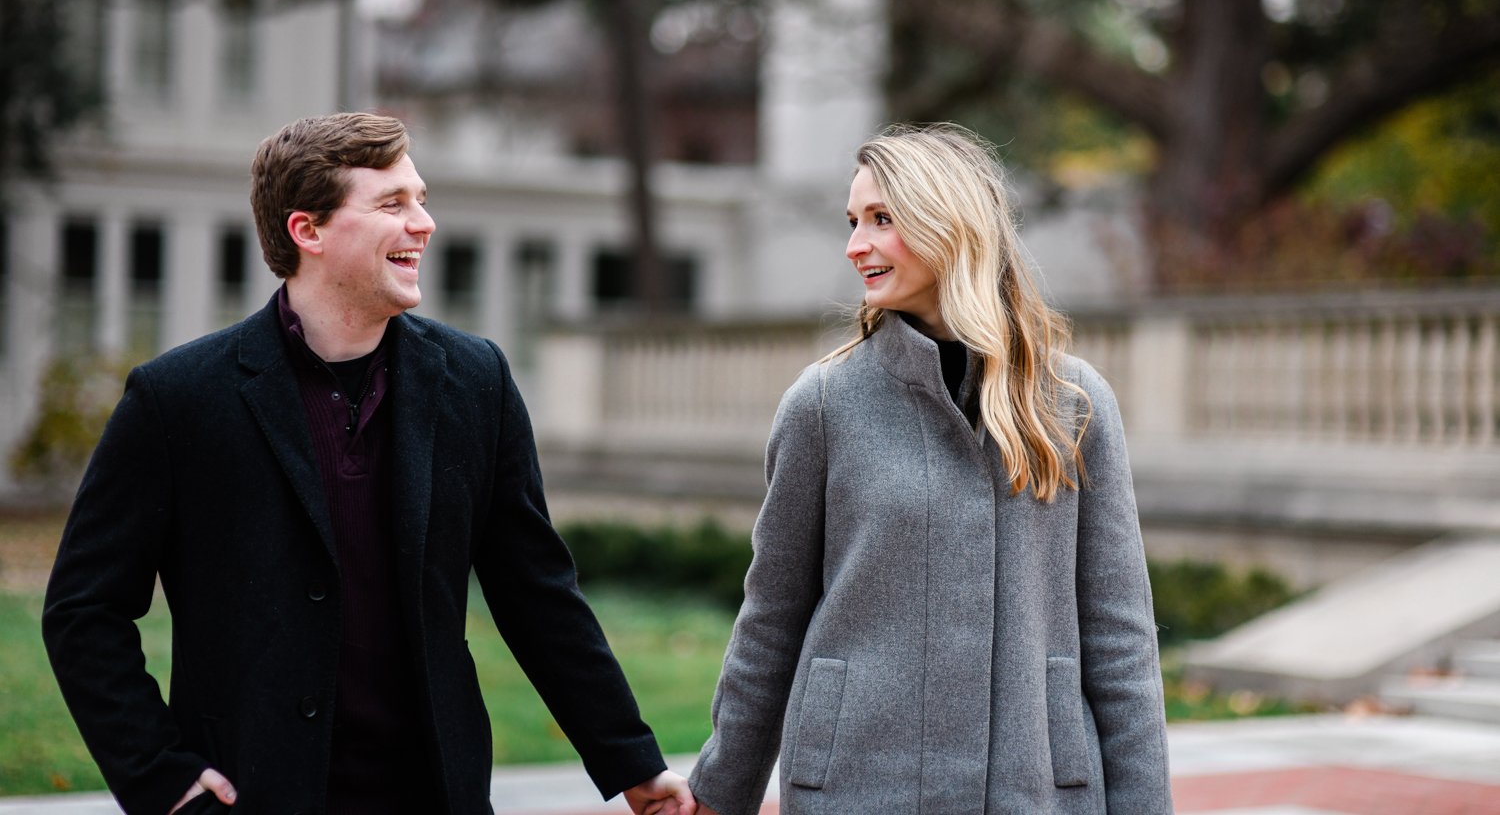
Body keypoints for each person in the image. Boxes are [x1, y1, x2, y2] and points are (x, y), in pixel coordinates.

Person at [43, 113, 696, 815]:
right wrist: (162, 779)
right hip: (251, 799)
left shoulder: (477, 382)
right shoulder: (178, 399)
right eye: (393, 204)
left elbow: (536, 592)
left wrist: (631, 761)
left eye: (421, 198)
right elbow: (84, 610)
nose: (424, 224)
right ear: (308, 231)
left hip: (434, 795)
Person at [688, 123, 1174, 814]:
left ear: (949, 222)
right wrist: (718, 792)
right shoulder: (823, 406)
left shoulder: (1074, 403)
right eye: (854, 221)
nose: (857, 245)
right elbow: (771, 619)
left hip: (1036, 789)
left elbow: (1120, 637)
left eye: (882, 219)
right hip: (857, 788)